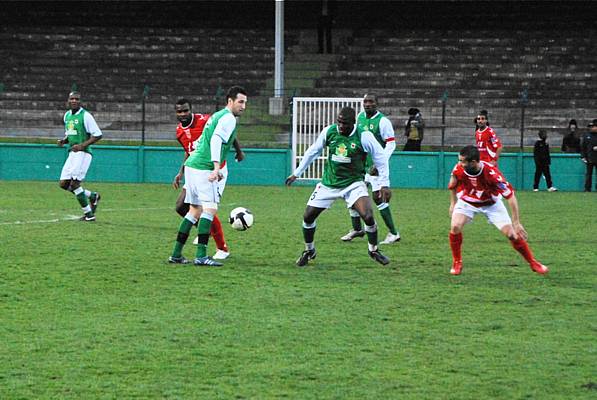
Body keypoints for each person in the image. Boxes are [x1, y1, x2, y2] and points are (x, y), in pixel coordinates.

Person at [285, 107, 391, 267]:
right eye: (339, 122)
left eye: (345, 124)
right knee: (308, 217)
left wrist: (385, 184)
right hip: (329, 184)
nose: (341, 126)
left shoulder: (364, 136)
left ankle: (373, 250)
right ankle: (309, 250)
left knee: (368, 216)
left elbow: (381, 158)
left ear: (353, 123)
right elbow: (313, 151)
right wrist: (297, 173)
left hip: (354, 184)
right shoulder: (329, 132)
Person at [168, 86, 247, 266]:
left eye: (245, 103)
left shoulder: (217, 116)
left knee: (194, 210)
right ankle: (202, 256)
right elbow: (216, 139)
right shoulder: (228, 119)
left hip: (192, 165)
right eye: (240, 102)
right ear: (230, 101)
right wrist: (216, 167)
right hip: (204, 167)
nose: (243, 106)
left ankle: (176, 254)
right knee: (209, 210)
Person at [448, 145, 549, 276]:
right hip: (468, 202)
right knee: (455, 226)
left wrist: (516, 223)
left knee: (512, 235)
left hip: (492, 204)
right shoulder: (459, 169)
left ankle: (533, 263)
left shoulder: (492, 174)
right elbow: (453, 183)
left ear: (473, 162)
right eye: (459, 160)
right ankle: (457, 262)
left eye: (462, 161)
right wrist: (453, 203)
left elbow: (511, 197)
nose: (459, 163)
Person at [340, 94, 401, 245]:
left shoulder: (383, 121)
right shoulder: (359, 117)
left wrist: (380, 162)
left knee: (377, 197)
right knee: (351, 193)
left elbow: (391, 144)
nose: (368, 104)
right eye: (365, 102)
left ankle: (393, 233)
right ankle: (357, 229)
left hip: (375, 166)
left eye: (371, 102)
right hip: (361, 165)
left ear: (377, 104)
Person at [57, 91, 102, 221]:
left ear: (80, 101)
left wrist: (82, 146)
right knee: (63, 184)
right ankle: (93, 196)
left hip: (83, 153)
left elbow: (97, 134)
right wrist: (64, 141)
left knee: (75, 184)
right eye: (72, 99)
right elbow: (71, 133)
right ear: (68, 100)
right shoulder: (67, 116)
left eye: (77, 99)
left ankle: (89, 215)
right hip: (73, 153)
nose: (74, 101)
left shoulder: (86, 116)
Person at [580, 119, 597, 192]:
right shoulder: (587, 135)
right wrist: (583, 156)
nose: (591, 128)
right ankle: (587, 188)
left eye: (593, 126)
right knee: (588, 174)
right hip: (589, 158)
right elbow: (583, 147)